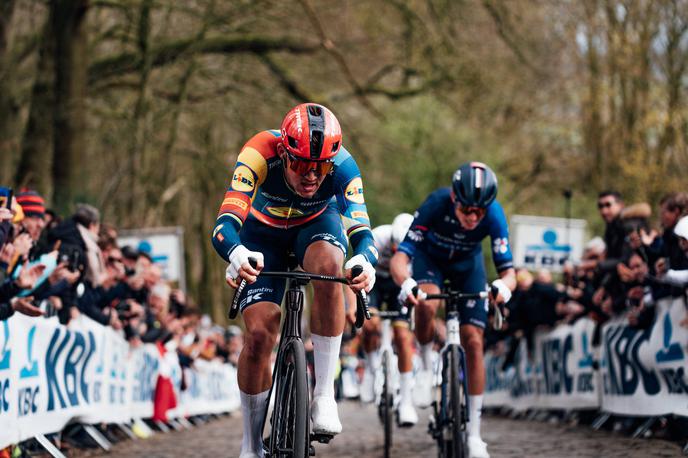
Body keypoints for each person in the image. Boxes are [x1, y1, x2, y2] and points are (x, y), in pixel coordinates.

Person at [211, 103, 377, 458]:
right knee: (259, 333)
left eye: (321, 167)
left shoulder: (345, 166)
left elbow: (362, 231)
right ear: (284, 152)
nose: (312, 176)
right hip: (261, 236)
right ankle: (251, 444)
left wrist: (365, 260)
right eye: (301, 164)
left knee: (331, 268)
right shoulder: (259, 152)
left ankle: (323, 397)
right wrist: (237, 253)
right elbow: (224, 225)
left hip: (315, 228)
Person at [390, 162, 515, 458]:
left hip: (467, 267)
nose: (473, 218)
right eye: (466, 211)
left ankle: (474, 434)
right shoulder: (436, 203)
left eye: (479, 212)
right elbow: (401, 256)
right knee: (427, 301)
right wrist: (406, 283)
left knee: (474, 341)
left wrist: (505, 287)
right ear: (455, 200)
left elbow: (508, 271)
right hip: (429, 261)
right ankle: (424, 362)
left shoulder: (494, 214)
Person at [352, 212, 418, 425]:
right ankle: (371, 370)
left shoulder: (416, 246)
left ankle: (406, 400)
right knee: (371, 325)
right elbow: (356, 271)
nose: (396, 251)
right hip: (376, 283)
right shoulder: (379, 236)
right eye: (394, 247)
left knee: (403, 335)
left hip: (399, 284)